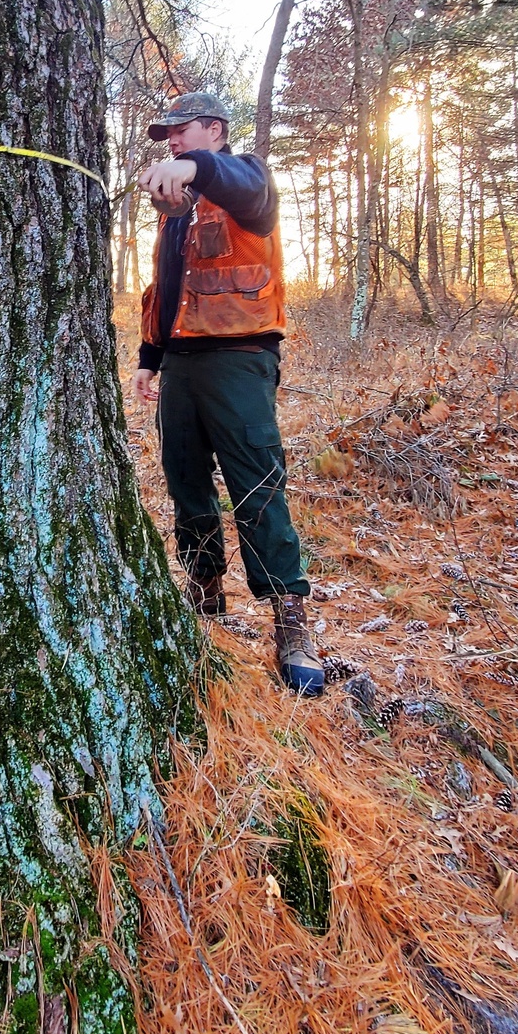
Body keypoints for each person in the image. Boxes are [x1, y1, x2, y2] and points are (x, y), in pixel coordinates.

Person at [134, 91, 323, 696]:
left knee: (256, 484)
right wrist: (150, 358)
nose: (172, 141)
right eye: (167, 136)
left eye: (180, 132)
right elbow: (165, 287)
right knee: (185, 479)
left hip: (241, 358)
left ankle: (291, 622)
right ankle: (205, 588)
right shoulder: (177, 211)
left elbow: (239, 180)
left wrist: (194, 166)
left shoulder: (249, 181)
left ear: (214, 130)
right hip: (182, 365)